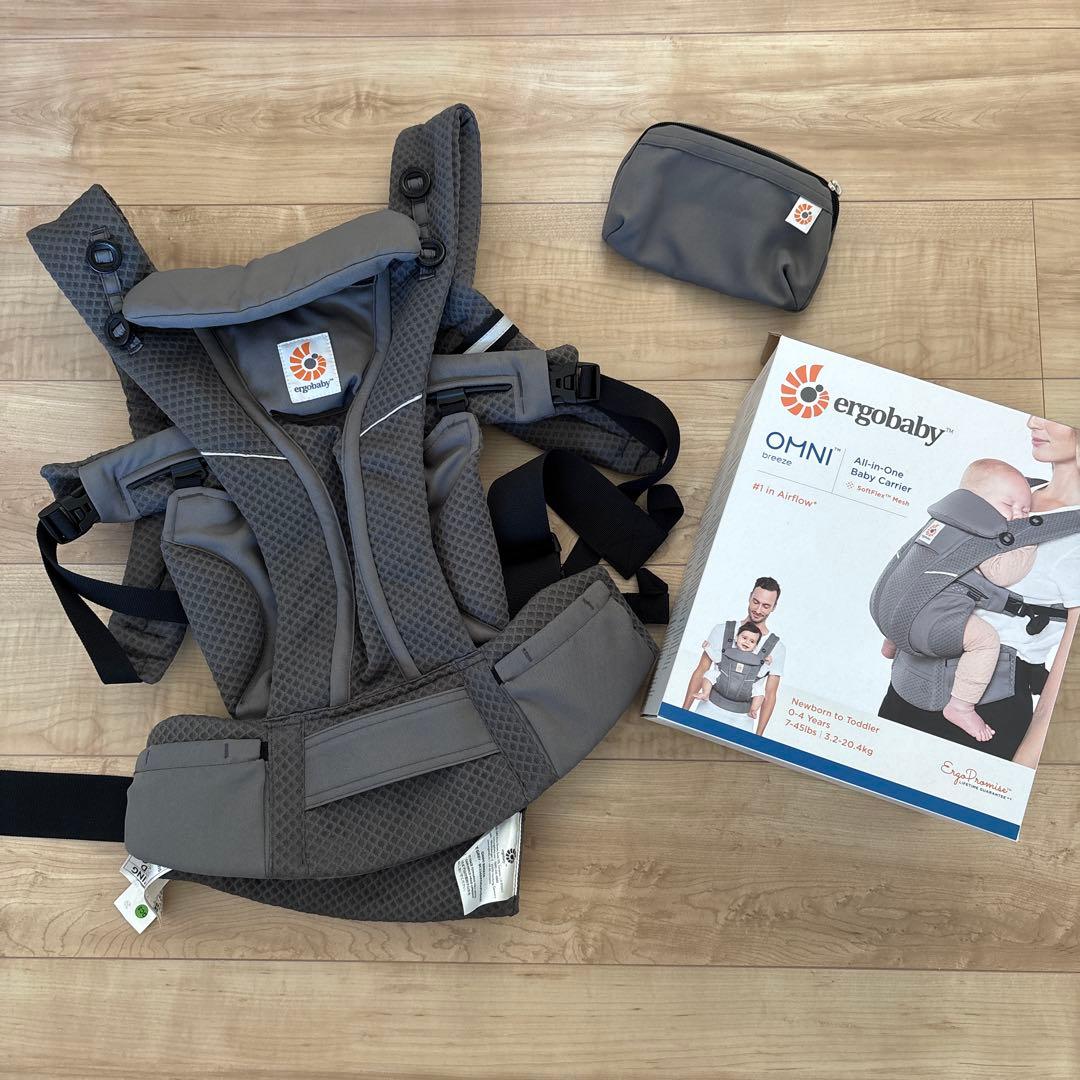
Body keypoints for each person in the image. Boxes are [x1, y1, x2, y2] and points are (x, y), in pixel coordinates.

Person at [879, 417, 1080, 762]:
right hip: (909, 680)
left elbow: (1067, 678)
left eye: (1054, 415)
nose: (1032, 421)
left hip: (988, 706)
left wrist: (1027, 762)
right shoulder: (1011, 488)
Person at [880, 459, 1037, 743]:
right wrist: (1029, 541)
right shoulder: (981, 534)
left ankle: (892, 642)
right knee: (985, 641)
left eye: (1025, 510)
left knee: (911, 594)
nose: (1017, 516)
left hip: (896, 607)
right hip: (932, 621)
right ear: (975, 502)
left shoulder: (939, 523)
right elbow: (1002, 573)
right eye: (1009, 505)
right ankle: (961, 706)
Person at [683, 576, 785, 735]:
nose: (758, 610)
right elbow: (701, 670)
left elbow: (770, 694)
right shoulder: (721, 630)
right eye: (756, 602)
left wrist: (758, 737)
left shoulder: (777, 648)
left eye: (766, 606)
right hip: (707, 709)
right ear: (749, 597)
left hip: (742, 721)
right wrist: (683, 713)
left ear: (774, 607)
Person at [693, 621, 770, 721]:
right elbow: (716, 658)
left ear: (756, 646)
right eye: (744, 638)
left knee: (760, 690)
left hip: (746, 687)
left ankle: (753, 710)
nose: (747, 642)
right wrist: (707, 648)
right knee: (709, 674)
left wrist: (767, 664)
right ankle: (705, 693)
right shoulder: (728, 652)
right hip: (723, 680)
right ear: (736, 638)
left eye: (752, 641)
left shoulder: (756, 660)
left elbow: (760, 674)